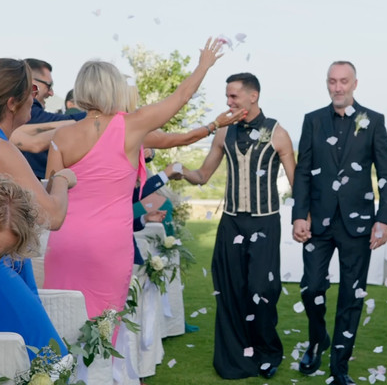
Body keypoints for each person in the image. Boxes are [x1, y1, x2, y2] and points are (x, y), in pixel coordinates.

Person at [43, 38, 224, 328]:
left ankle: (61, 373)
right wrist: (203, 65)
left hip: (65, 240)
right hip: (108, 242)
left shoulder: (63, 136)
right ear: (113, 88)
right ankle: (105, 374)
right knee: (104, 325)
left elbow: (51, 195)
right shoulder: (132, 125)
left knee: (62, 320)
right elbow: (179, 98)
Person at [178, 72, 296, 380]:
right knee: (231, 290)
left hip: (266, 222)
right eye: (228, 96)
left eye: (233, 96)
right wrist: (180, 172)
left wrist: (304, 217)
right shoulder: (223, 133)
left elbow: (298, 183)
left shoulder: (278, 133)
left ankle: (268, 352)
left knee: (263, 289)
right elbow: (203, 175)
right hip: (231, 223)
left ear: (252, 96)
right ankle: (237, 355)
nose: (228, 102)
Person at [292, 61, 387, 385]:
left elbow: (386, 173)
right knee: (311, 288)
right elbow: (303, 171)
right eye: (332, 81)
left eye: (343, 81)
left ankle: (339, 370)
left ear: (355, 83)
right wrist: (299, 214)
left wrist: (384, 219)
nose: (338, 87)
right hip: (319, 224)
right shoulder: (312, 121)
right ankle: (318, 338)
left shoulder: (374, 121)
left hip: (359, 225)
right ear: (327, 84)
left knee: (351, 298)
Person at [0, 59, 76, 357]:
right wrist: (61, 180)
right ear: (11, 103)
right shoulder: (3, 149)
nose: (36, 96)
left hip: (12, 260)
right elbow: (52, 216)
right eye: (31, 90)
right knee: (49, 358)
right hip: (4, 265)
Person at [21, 59, 85, 179]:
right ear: (30, 82)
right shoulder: (31, 114)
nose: (51, 93)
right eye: (49, 85)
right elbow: (36, 143)